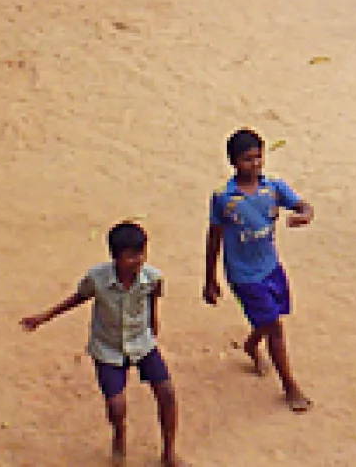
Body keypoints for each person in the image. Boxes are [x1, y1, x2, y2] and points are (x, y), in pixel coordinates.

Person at [20, 222, 183, 467]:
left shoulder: (152, 278)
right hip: (107, 347)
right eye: (130, 256)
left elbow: (152, 300)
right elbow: (78, 298)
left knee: (167, 393)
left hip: (142, 342)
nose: (138, 261)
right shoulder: (97, 278)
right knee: (116, 406)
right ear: (115, 258)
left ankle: (169, 452)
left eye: (141, 254)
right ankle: (119, 438)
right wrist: (45, 316)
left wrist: (153, 323)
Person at [205, 128, 315, 413]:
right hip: (244, 275)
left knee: (270, 318)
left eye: (258, 158)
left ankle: (252, 344)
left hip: (270, 267)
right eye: (246, 160)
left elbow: (303, 204)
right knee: (275, 327)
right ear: (233, 162)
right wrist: (210, 278)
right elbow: (214, 236)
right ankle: (290, 386)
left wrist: (304, 214)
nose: (254, 165)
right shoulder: (223, 198)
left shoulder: (273, 188)